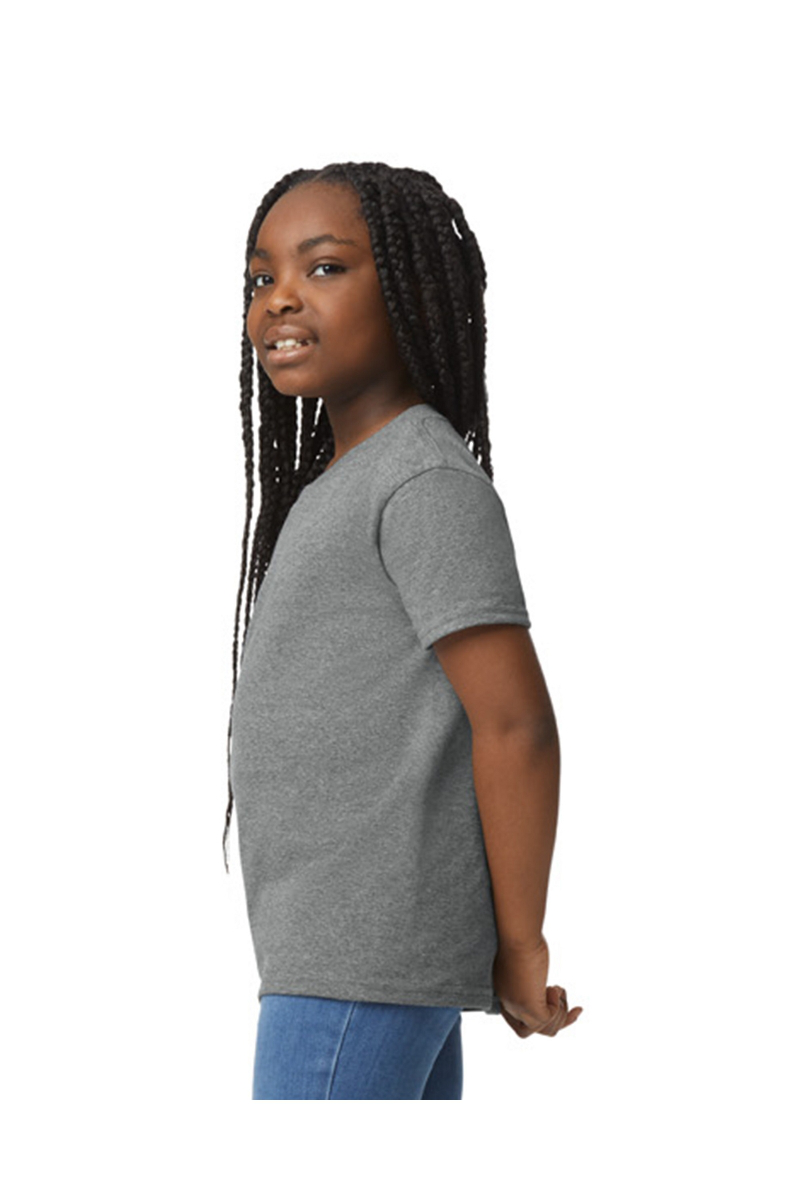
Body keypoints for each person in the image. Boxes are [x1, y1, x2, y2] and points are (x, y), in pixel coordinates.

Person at [224, 162, 582, 1100]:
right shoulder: (341, 482)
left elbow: (516, 724)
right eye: (261, 277)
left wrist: (519, 943)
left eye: (324, 267)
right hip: (342, 957)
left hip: (360, 961)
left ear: (414, 293)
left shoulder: (422, 483)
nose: (279, 298)